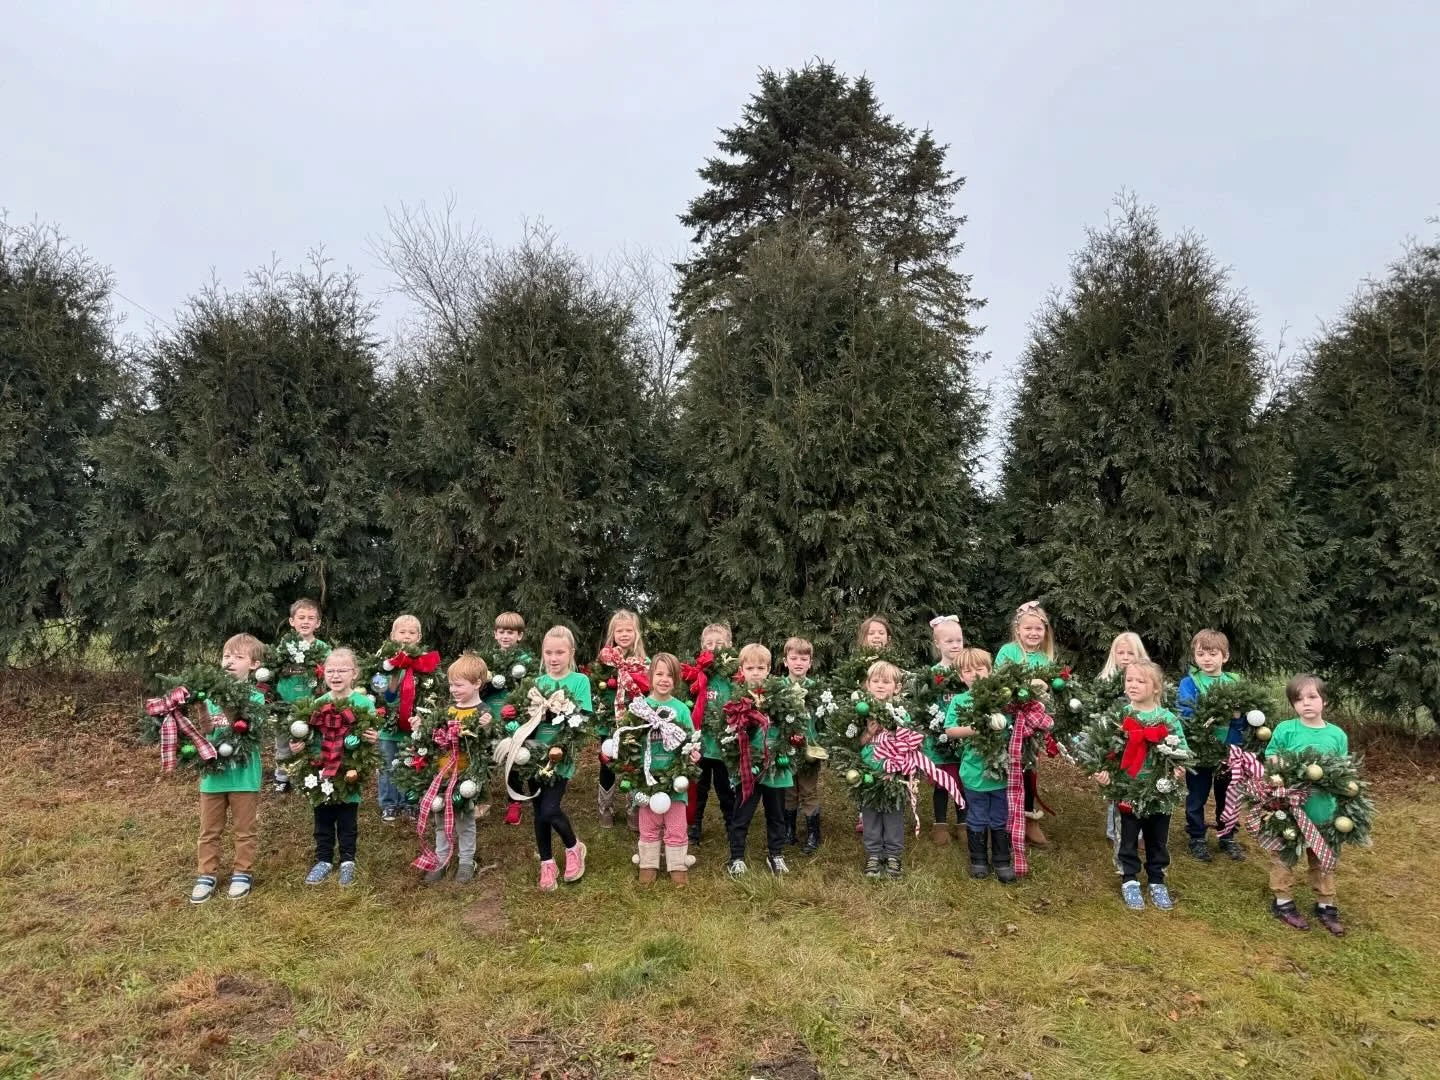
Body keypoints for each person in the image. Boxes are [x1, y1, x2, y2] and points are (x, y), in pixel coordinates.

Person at [1094, 661, 1188, 911]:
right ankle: (1129, 878)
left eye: (1140, 681)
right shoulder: (1119, 717)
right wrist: (1102, 771)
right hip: (1127, 790)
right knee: (1126, 837)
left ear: (1156, 688)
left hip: (1159, 792)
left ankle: (1157, 879)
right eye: (1129, 680)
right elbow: (1104, 750)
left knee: (1157, 839)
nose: (1133, 685)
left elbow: (1181, 751)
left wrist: (1179, 768)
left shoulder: (1166, 719)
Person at [1265, 674, 1348, 936]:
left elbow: (1343, 769)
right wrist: (1280, 766)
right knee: (1285, 856)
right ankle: (1282, 901)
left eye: (1312, 697)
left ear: (1324, 700)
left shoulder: (1336, 734)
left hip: (1323, 810)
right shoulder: (1286, 730)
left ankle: (1325, 903)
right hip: (1292, 810)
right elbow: (1271, 755)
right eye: (1299, 700)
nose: (1306, 704)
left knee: (1323, 858)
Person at [189, 634, 267, 903]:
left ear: (254, 665)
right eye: (226, 656)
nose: (230, 661)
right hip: (214, 776)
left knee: (245, 829)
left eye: (238, 657)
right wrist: (202, 708)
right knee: (209, 829)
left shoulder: (257, 698)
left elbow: (243, 729)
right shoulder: (210, 697)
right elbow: (208, 732)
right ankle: (206, 874)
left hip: (244, 776)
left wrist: (224, 701)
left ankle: (242, 872)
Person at [292, 648, 379, 888]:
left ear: (355, 673)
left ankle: (347, 860)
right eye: (331, 670)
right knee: (322, 816)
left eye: (342, 670)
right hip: (321, 769)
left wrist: (372, 737)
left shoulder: (363, 704)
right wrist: (299, 745)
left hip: (350, 771)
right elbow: (308, 735)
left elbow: (370, 734)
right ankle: (323, 859)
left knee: (347, 817)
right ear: (323, 674)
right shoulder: (319, 704)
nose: (336, 675)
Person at [419, 653, 493, 885]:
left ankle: (466, 861)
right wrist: (421, 727)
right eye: (451, 684)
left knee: (465, 821)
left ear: (477, 684)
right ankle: (442, 859)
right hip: (442, 776)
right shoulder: (448, 712)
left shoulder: (483, 712)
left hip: (466, 779)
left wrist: (487, 727)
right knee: (440, 819)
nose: (453, 689)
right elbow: (432, 739)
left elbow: (489, 744)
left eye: (458, 685)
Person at [945, 648, 1015, 883]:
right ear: (961, 676)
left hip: (1002, 771)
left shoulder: (1002, 698)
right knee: (977, 815)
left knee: (1000, 814)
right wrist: (975, 728)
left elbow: (1015, 725)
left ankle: (1002, 860)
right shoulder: (960, 701)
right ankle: (978, 859)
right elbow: (950, 730)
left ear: (990, 671)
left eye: (980, 668)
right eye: (967, 670)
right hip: (974, 770)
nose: (974, 674)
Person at [529, 626, 592, 891]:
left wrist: (555, 715)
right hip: (532, 756)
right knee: (538, 812)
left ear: (571, 653)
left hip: (560, 755)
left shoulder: (579, 681)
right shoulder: (537, 684)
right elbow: (527, 716)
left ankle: (573, 847)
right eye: (549, 652)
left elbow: (583, 718)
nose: (554, 658)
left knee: (550, 809)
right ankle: (547, 863)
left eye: (560, 652)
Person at [1176, 628, 1247, 863]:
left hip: (1229, 750)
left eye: (1213, 654)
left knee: (1228, 795)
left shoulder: (1235, 683)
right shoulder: (1190, 683)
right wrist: (1216, 712)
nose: (1206, 659)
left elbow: (1244, 716)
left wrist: (1238, 718)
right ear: (1194, 657)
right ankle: (1196, 837)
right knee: (1196, 795)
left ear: (1224, 657)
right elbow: (1186, 711)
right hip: (1199, 749)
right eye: (1201, 654)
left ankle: (1227, 835)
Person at [725, 644, 793, 877]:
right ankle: (736, 857)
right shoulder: (736, 698)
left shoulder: (780, 697)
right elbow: (727, 731)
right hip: (748, 767)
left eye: (760, 667)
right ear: (741, 669)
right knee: (742, 813)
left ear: (769, 669)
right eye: (750, 667)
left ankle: (776, 854)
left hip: (776, 766)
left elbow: (792, 725)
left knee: (777, 813)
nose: (755, 672)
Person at [631, 653, 696, 885]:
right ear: (650, 677)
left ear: (676, 680)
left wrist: (692, 756)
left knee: (676, 822)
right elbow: (631, 739)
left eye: (670, 675)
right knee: (648, 821)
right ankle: (648, 863)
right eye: (659, 674)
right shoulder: (641, 707)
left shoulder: (680, 710)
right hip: (648, 778)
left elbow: (690, 740)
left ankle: (677, 865)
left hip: (675, 777)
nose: (664, 679)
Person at [995, 601, 1056, 848]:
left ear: (1045, 632)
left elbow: (1049, 690)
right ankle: (1004, 819)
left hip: (1033, 725)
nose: (1033, 633)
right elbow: (999, 683)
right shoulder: (1007, 652)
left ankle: (1029, 819)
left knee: (1029, 769)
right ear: (1017, 630)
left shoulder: (1045, 658)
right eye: (1028, 628)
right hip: (1009, 721)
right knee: (1007, 768)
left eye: (1038, 629)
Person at [376, 615, 440, 824]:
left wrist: (422, 717)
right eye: (402, 632)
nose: (406, 636)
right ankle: (388, 803)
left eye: (412, 633)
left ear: (419, 637)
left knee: (412, 763)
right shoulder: (386, 662)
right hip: (389, 727)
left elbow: (432, 695)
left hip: (414, 726)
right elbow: (385, 695)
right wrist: (394, 675)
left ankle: (410, 802)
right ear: (392, 635)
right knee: (388, 764)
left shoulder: (425, 663)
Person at [1098, 632, 1152, 870]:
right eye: (1121, 652)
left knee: (1138, 784)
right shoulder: (1106, 682)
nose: (1126, 657)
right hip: (1115, 745)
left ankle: (1139, 833)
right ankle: (1113, 831)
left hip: (1140, 743)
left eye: (1131, 653)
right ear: (1114, 654)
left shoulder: (1144, 681)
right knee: (1116, 788)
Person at [593, 610, 648, 829]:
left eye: (629, 630)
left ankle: (633, 807)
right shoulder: (605, 661)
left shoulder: (643, 662)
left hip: (634, 720)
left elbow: (647, 689)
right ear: (612, 633)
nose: (624, 634)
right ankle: (605, 807)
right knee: (608, 762)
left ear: (636, 633)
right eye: (619, 630)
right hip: (608, 721)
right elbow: (598, 690)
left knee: (633, 761)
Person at [856, 661, 909, 880]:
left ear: (896, 687)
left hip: (893, 776)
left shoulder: (901, 714)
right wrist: (868, 734)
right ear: (867, 685)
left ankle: (893, 854)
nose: (880, 686)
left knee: (893, 815)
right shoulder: (860, 713)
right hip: (868, 775)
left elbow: (908, 744)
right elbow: (851, 744)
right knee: (870, 816)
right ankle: (874, 854)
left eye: (886, 682)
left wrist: (897, 771)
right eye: (875, 681)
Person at [268, 599, 328, 793]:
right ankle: (282, 778)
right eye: (301, 617)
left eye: (311, 618)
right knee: (283, 743)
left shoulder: (323, 649)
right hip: (285, 704)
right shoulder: (284, 648)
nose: (306, 621)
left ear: (317, 623)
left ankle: (310, 777)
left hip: (312, 704)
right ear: (292, 621)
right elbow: (272, 672)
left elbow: (331, 673)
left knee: (313, 742)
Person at [687, 623, 736, 844]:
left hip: (724, 746)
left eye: (720, 643)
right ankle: (694, 825)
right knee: (699, 787)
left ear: (729, 646)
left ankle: (732, 824)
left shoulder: (734, 676)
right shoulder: (696, 674)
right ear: (702, 646)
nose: (714, 648)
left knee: (726, 790)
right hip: (701, 745)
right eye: (709, 644)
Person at [485, 611, 533, 828]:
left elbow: (531, 691)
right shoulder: (487, 662)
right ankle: (478, 797)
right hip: (489, 717)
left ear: (519, 635)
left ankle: (515, 801)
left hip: (516, 719)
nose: (506, 636)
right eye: (502, 631)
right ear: (495, 634)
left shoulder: (526, 663)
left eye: (511, 632)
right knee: (483, 756)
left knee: (515, 759)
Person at [925, 615, 967, 845]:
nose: (955, 645)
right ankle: (939, 824)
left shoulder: (967, 672)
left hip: (964, 737)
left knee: (963, 781)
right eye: (949, 641)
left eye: (959, 640)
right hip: (939, 739)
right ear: (937, 644)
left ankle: (963, 823)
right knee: (942, 784)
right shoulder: (934, 674)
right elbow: (926, 704)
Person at [781, 636, 823, 854]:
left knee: (808, 789)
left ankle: (813, 832)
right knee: (789, 790)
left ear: (810, 662)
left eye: (803, 658)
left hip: (810, 750)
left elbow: (825, 719)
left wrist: (823, 743)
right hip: (785, 748)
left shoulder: (816, 689)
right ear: (785, 661)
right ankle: (788, 829)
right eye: (794, 658)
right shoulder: (779, 688)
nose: (798, 662)